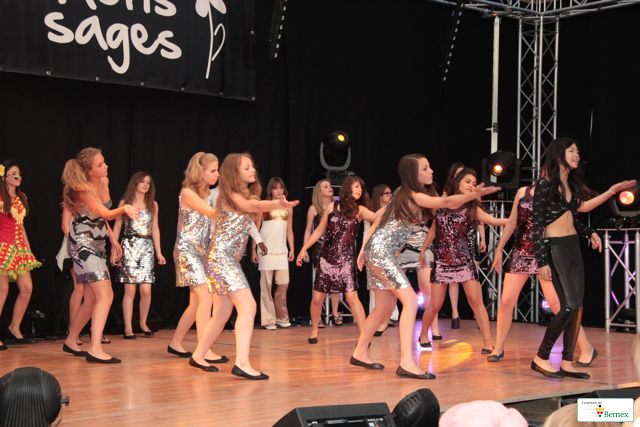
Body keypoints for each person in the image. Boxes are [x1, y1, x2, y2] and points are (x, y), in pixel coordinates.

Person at [351, 154, 499, 379]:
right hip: (382, 252)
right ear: (413, 173)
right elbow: (444, 203)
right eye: (425, 168)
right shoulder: (412, 194)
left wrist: (365, 250)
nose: (431, 171)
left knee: (382, 308)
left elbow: (380, 217)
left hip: (379, 251)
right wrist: (473, 195)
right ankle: (406, 362)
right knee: (410, 300)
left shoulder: (402, 193)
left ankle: (360, 352)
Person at [487, 175, 634, 363]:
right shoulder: (522, 192)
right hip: (521, 252)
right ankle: (498, 348)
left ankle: (586, 347)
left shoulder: (556, 195)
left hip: (545, 254)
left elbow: (571, 220)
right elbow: (511, 222)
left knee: (560, 306)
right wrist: (499, 249)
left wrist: (589, 231)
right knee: (506, 301)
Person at [531, 137, 636, 379]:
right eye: (572, 151)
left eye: (577, 151)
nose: (577, 155)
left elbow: (579, 212)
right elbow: (536, 226)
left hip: (572, 246)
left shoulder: (569, 183)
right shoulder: (545, 185)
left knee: (577, 307)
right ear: (559, 154)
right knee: (568, 305)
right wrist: (542, 261)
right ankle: (541, 357)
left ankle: (567, 361)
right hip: (555, 248)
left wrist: (590, 230)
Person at [189, 153, 298, 379]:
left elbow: (250, 212)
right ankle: (242, 363)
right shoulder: (229, 195)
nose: (252, 170)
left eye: (252, 166)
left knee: (221, 313)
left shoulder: (241, 195)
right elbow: (252, 206)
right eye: (246, 167)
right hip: (222, 258)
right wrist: (278, 203)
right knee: (248, 306)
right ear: (234, 172)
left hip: (223, 259)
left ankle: (198, 355)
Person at [61, 147, 139, 364]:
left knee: (91, 299)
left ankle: (71, 340)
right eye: (100, 164)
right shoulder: (80, 189)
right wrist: (125, 208)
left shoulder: (103, 182)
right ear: (89, 171)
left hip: (98, 244)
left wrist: (113, 240)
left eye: (104, 162)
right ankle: (95, 348)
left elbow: (101, 217)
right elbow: (106, 213)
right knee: (106, 294)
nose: (106, 166)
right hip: (83, 245)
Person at [419, 168, 506, 351]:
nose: (471, 186)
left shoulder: (473, 209)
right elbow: (434, 229)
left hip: (464, 262)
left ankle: (487, 342)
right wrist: (423, 249)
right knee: (435, 305)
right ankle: (423, 334)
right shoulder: (442, 203)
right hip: (442, 262)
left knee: (476, 303)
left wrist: (513, 220)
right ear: (457, 182)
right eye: (467, 181)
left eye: (474, 183)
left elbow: (493, 220)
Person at [296, 176, 377, 344]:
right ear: (348, 187)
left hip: (346, 260)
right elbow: (319, 231)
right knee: (317, 299)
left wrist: (391, 207)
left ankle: (364, 336)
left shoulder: (360, 210)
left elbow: (375, 217)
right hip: (326, 259)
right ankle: (314, 329)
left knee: (352, 297)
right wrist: (304, 248)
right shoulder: (332, 207)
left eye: (361, 187)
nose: (360, 190)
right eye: (356, 186)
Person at [168, 152, 223, 363]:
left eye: (217, 170)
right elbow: (211, 213)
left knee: (196, 302)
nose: (217, 174)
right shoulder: (188, 193)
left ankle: (176, 342)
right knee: (206, 296)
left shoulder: (208, 193)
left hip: (201, 251)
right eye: (213, 171)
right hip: (186, 250)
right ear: (200, 172)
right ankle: (203, 349)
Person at [113, 172, 166, 339]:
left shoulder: (153, 205)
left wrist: (158, 252)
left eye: (148, 183)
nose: (145, 185)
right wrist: (114, 249)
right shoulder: (125, 203)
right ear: (135, 183)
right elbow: (117, 226)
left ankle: (143, 323)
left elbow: (155, 228)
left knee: (146, 290)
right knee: (130, 289)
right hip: (129, 246)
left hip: (146, 248)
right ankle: (128, 328)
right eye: (142, 182)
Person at [0, 160, 41, 350]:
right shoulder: (0, 197)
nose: (18, 176)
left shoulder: (22, 196)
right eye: (13, 173)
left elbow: (20, 224)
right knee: (2, 291)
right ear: (4, 177)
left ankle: (14, 326)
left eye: (19, 173)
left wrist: (27, 247)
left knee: (27, 288)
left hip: (19, 248)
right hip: (3, 247)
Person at [252, 177, 294, 330]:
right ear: (270, 190)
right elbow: (256, 227)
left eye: (281, 188)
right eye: (276, 188)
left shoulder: (288, 207)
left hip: (281, 251)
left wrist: (292, 249)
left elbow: (289, 230)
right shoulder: (264, 206)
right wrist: (253, 249)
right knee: (266, 285)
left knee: (284, 283)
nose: (279, 191)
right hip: (266, 251)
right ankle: (269, 320)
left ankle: (281, 317)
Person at [302, 179, 341, 326]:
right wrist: (305, 248)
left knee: (336, 282)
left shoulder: (337, 207)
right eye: (326, 187)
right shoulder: (314, 209)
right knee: (320, 283)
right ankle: (317, 317)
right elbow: (308, 230)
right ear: (319, 191)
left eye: (330, 186)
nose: (330, 188)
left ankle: (335, 313)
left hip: (335, 249)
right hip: (320, 248)